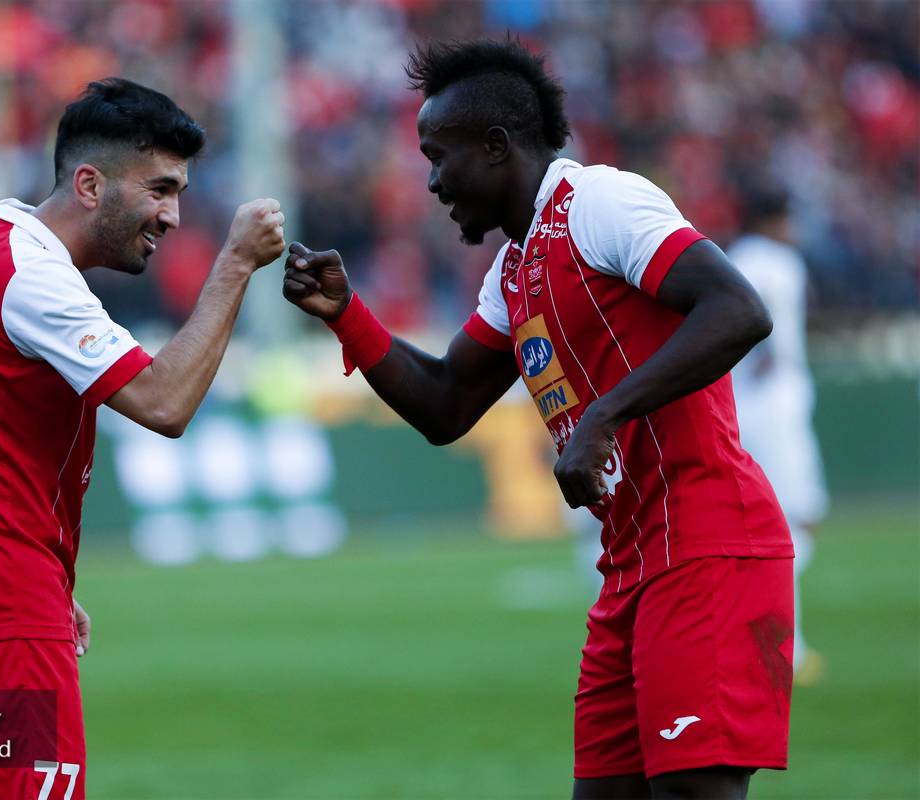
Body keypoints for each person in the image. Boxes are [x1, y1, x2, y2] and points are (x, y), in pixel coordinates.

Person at [283, 40, 794, 800]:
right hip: (628, 567)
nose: (432, 182)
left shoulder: (601, 202)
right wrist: (347, 315)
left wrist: (603, 417)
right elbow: (447, 402)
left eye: (439, 157)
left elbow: (738, 309)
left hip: (707, 547)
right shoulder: (514, 269)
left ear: (496, 146)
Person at [0, 78, 285, 799]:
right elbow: (164, 403)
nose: (172, 216)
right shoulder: (32, 278)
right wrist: (234, 266)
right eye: (160, 189)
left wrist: (44, 574)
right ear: (90, 184)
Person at [729, 185, 829, 686]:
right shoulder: (776, 261)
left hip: (745, 407)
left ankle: (766, 640)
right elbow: (757, 320)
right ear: (773, 220)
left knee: (764, 529)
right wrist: (766, 357)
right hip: (774, 408)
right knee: (790, 528)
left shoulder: (734, 257)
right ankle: (786, 648)